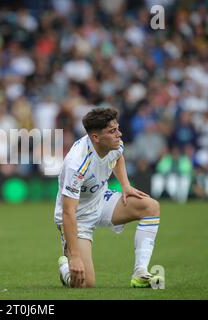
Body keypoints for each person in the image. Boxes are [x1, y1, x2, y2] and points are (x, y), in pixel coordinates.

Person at [54, 108, 161, 288]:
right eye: (112, 131)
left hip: (101, 200)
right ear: (96, 137)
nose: (119, 134)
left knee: (150, 207)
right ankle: (65, 266)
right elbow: (68, 212)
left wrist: (125, 185)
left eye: (117, 128)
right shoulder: (76, 164)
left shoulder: (114, 143)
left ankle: (140, 272)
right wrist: (74, 257)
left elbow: (118, 157)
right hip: (78, 218)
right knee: (85, 283)